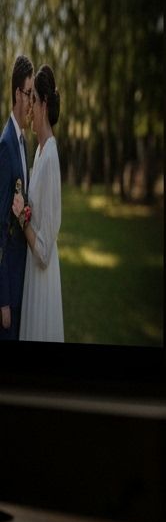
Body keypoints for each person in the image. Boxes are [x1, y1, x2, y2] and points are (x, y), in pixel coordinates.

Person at [16, 64, 62, 342]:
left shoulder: (51, 159)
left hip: (42, 280)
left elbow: (44, 253)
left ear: (44, 104)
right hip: (31, 273)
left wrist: (22, 218)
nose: (29, 107)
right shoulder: (39, 154)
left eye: (33, 100)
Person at [0, 54, 34, 339]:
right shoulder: (6, 145)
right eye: (28, 94)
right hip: (9, 289)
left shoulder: (23, 142)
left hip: (24, 281)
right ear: (16, 94)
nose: (31, 102)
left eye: (33, 95)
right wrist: (3, 300)